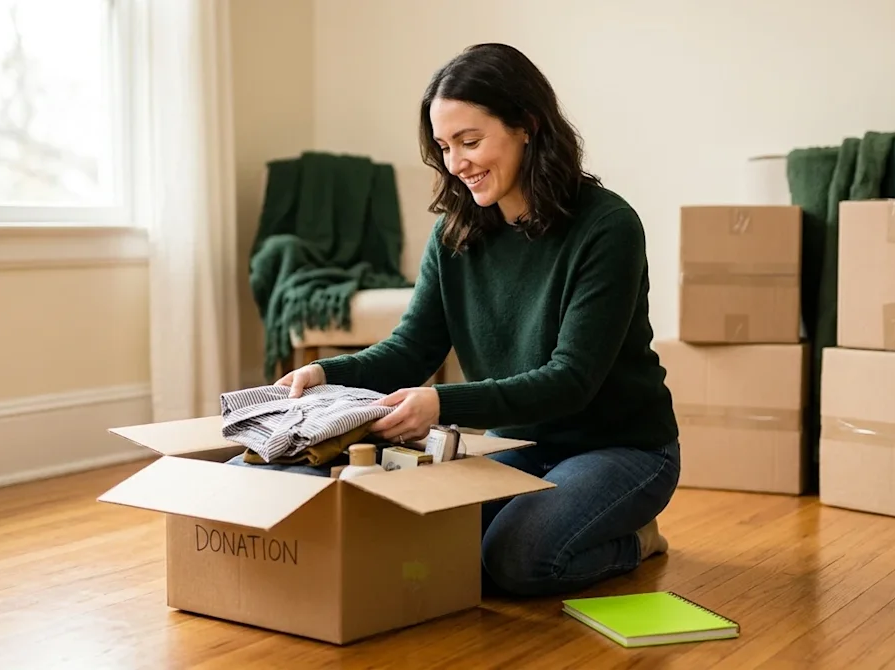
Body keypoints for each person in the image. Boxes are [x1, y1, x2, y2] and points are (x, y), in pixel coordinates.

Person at [273, 42, 680, 598]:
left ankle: (637, 540)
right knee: (435, 542)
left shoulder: (607, 226)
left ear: (527, 126)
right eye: (444, 146)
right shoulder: (455, 235)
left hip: (621, 448)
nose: (456, 163)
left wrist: (442, 405)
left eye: (470, 141)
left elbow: (572, 380)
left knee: (515, 561)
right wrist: (325, 374)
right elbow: (412, 349)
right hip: (519, 446)